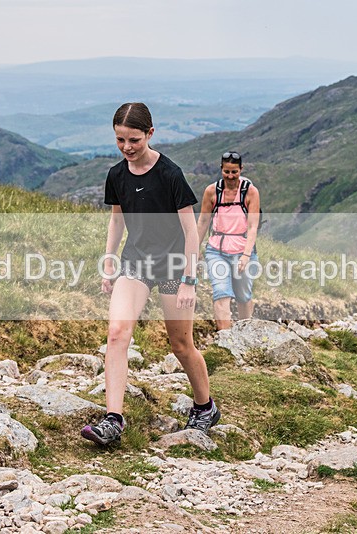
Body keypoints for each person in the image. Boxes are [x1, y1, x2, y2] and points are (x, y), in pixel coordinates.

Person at [81, 102, 220, 445]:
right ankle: (113, 419)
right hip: (136, 263)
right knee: (116, 333)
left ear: (150, 134)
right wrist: (109, 259)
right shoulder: (116, 175)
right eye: (120, 140)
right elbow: (117, 218)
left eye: (134, 140)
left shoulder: (170, 174)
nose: (127, 147)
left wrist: (189, 279)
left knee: (181, 343)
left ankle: (205, 407)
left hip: (174, 265)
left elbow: (191, 233)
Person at [196, 151, 260, 330]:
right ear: (221, 170)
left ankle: (244, 332)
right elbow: (202, 222)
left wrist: (246, 255)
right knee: (221, 292)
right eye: (226, 172)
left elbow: (253, 226)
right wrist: (194, 250)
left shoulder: (250, 192)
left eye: (234, 172)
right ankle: (226, 341)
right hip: (216, 250)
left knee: (243, 296)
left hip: (243, 251)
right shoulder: (211, 191)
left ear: (241, 170)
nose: (230, 176)